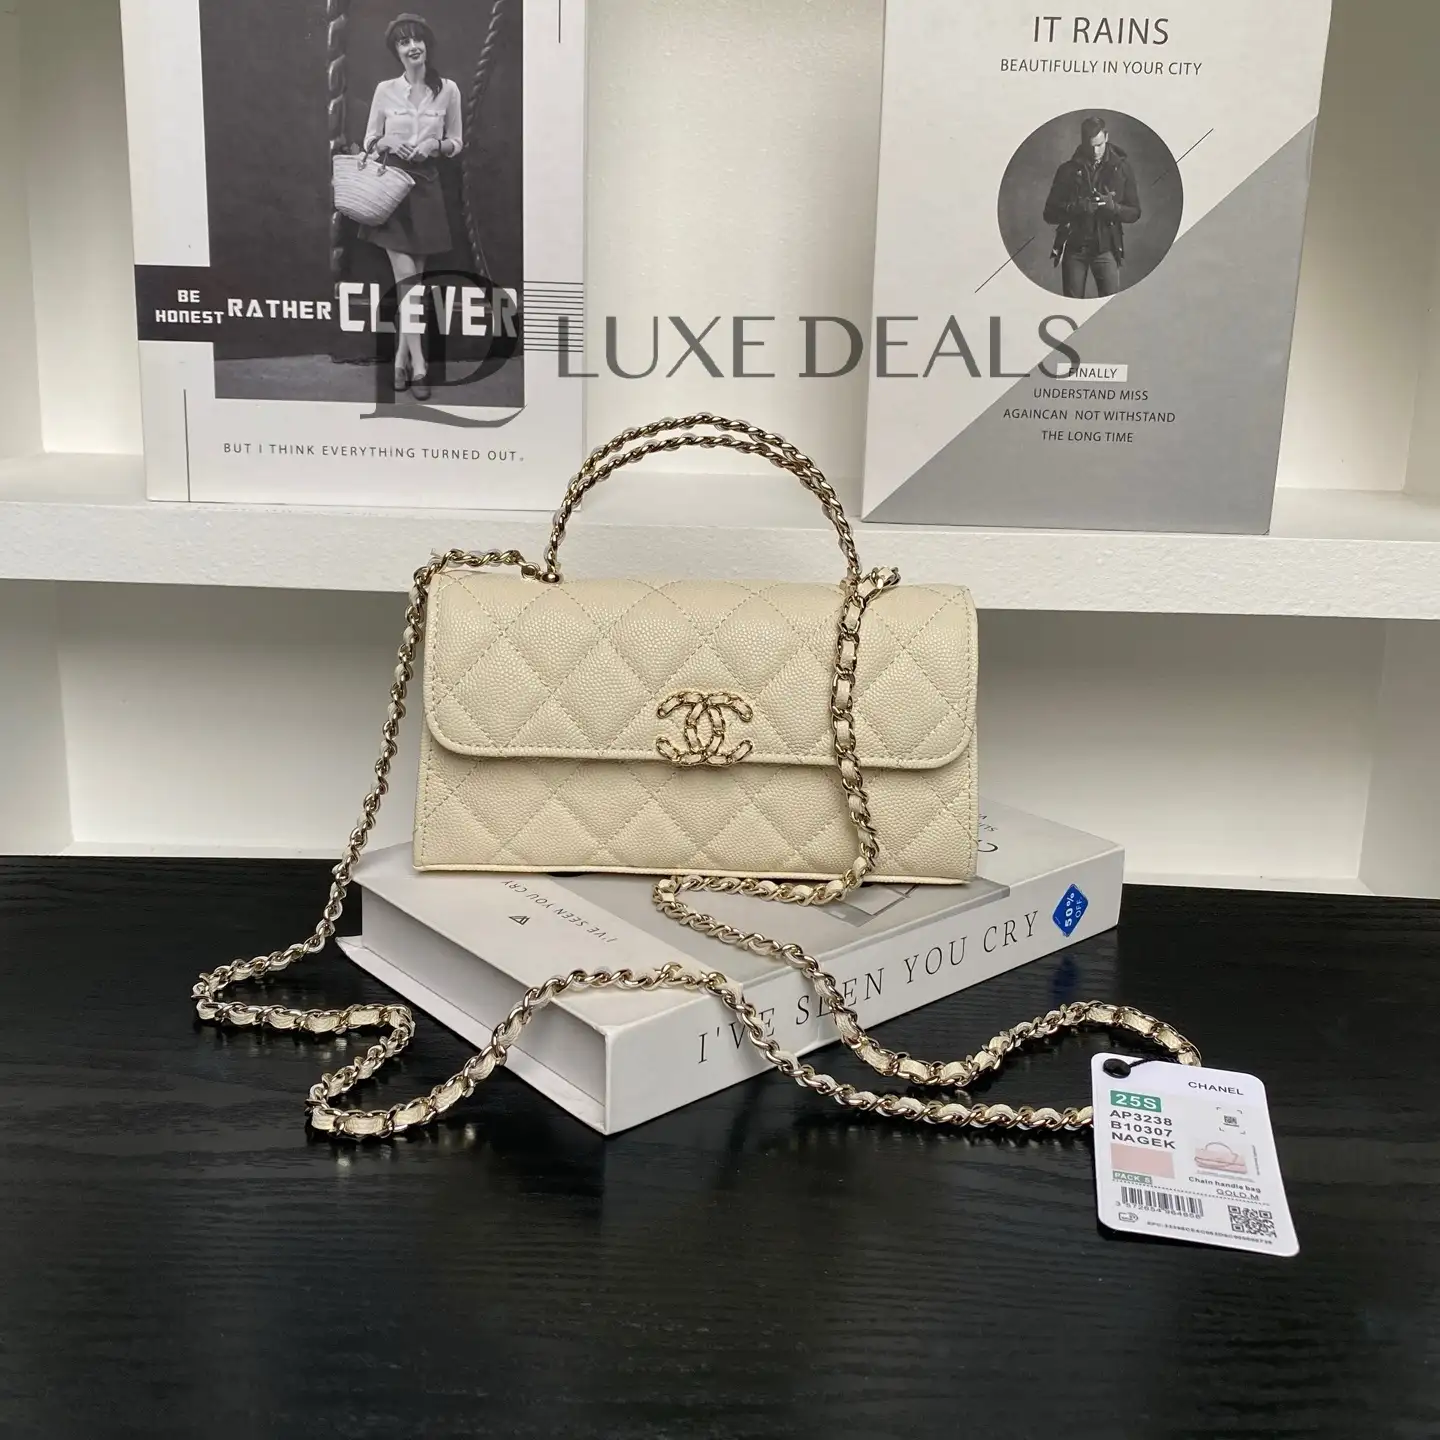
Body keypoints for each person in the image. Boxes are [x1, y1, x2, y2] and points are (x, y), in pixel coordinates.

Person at [359, 13, 463, 400]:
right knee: (408, 282)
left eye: (417, 39)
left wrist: (435, 145)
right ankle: (420, 366)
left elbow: (457, 142)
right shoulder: (385, 90)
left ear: (426, 45)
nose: (412, 46)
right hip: (392, 192)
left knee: (412, 286)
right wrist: (387, 142)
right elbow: (369, 141)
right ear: (397, 51)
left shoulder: (448, 90)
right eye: (404, 42)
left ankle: (399, 360)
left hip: (427, 190)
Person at [1043, 116, 1140, 299]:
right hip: (1074, 249)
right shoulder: (1067, 170)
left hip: (1106, 249)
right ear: (1082, 142)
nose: (1095, 151)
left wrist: (1114, 208)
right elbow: (1049, 214)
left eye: (1099, 145)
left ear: (1107, 137)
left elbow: (1135, 212)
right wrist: (1079, 207)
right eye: (1091, 146)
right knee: (1071, 305)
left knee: (1110, 305)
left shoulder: (1122, 168)